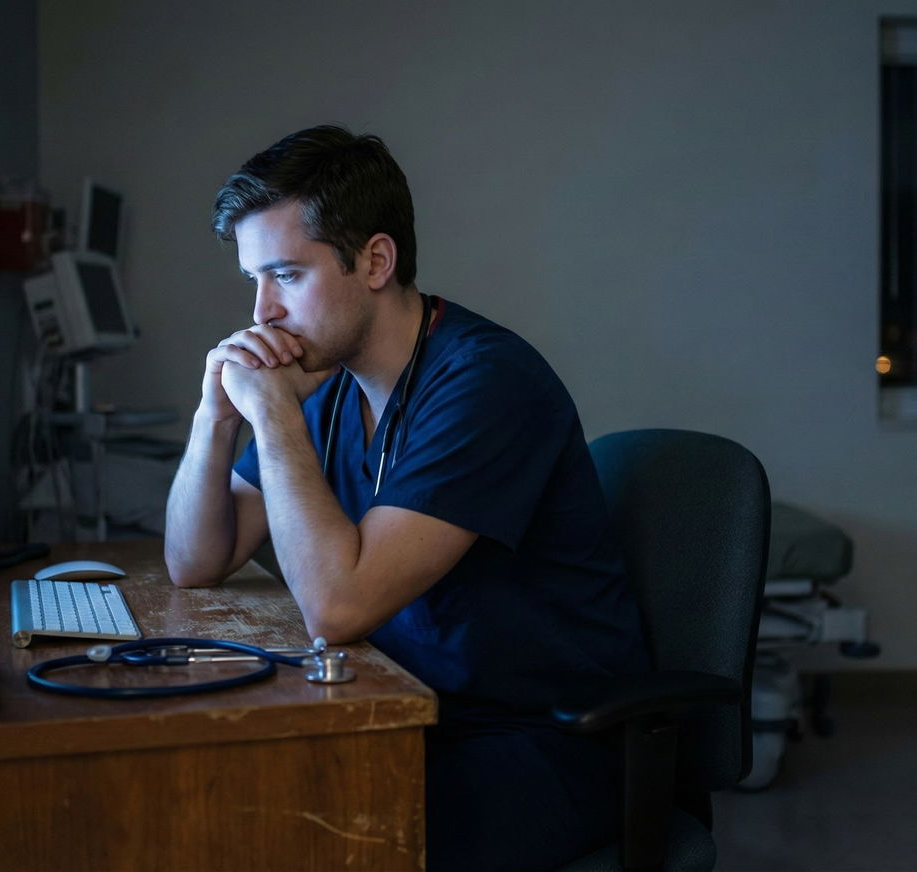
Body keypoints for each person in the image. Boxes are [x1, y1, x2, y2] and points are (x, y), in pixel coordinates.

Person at [165, 125, 647, 870]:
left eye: (287, 276)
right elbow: (195, 561)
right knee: (219, 804)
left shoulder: (485, 383)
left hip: (541, 745)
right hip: (409, 713)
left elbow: (337, 607)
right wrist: (215, 415)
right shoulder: (326, 388)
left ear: (376, 261)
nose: (262, 312)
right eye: (254, 281)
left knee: (288, 839)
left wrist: (271, 414)